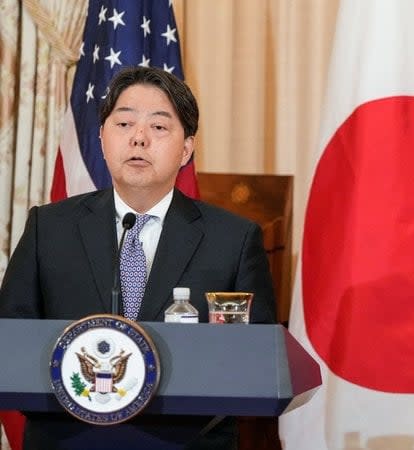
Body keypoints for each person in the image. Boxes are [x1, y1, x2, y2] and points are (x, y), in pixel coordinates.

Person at [0, 66, 276, 449]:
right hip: (69, 438)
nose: (139, 139)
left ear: (186, 149)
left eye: (159, 127)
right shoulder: (49, 228)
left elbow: (258, 360)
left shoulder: (233, 239)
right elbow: (9, 340)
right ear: (101, 138)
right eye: (124, 123)